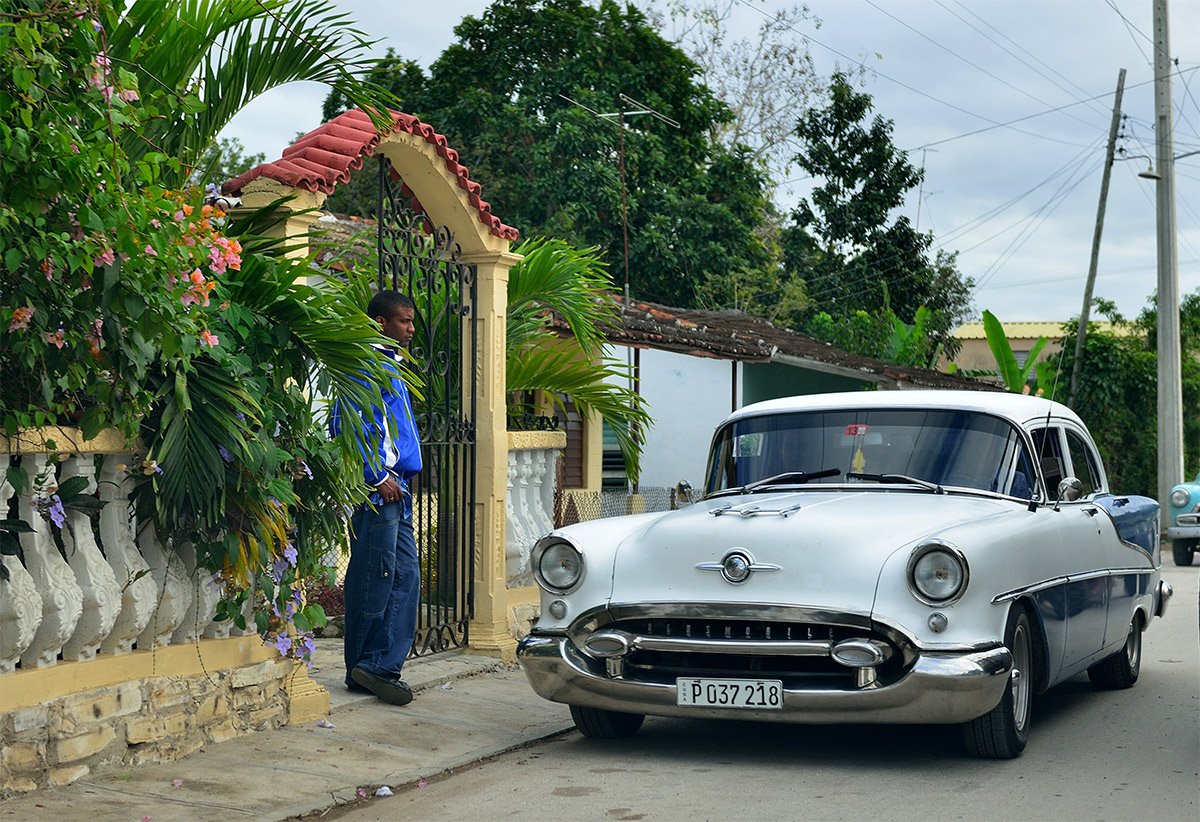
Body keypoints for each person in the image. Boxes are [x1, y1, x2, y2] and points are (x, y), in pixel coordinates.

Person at [331, 290, 422, 705]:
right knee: (376, 575)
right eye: (404, 320)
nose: (410, 328)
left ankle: (380, 666)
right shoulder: (365, 365)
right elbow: (348, 423)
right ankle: (364, 666)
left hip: (396, 489)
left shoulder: (390, 364)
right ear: (382, 322)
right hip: (378, 490)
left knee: (405, 576)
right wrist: (376, 475)